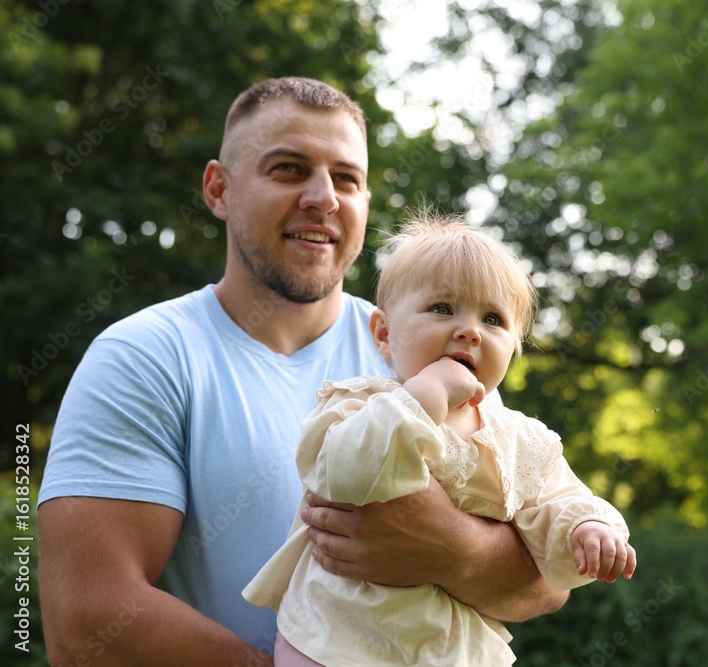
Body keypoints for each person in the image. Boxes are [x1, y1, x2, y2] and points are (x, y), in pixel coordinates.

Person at [37, 77, 567, 667]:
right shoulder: (145, 357)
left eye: (347, 179)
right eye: (289, 169)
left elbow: (549, 580)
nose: (324, 197)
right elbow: (87, 622)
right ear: (219, 189)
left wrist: (453, 552)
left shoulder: (430, 349)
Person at [243, 214, 637, 666]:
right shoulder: (359, 403)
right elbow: (343, 474)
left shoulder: (519, 438)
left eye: (493, 319)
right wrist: (424, 396)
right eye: (442, 308)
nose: (469, 329)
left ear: (514, 348)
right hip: (337, 639)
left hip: (450, 652)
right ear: (385, 334)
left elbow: (556, 500)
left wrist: (589, 529)